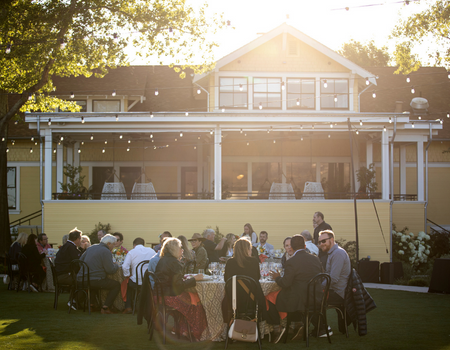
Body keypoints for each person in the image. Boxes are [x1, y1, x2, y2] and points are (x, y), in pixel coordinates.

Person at [268, 235, 323, 342]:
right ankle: (297, 324)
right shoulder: (316, 259)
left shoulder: (291, 262)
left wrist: (277, 277)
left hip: (299, 300)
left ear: (292, 247)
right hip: (316, 297)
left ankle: (278, 329)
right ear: (305, 245)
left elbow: (285, 283)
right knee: (295, 292)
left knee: (270, 297)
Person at [155, 237, 206, 341]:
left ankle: (183, 330)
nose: (182, 250)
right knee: (196, 302)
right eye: (180, 248)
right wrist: (194, 279)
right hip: (169, 297)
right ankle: (194, 332)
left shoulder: (163, 260)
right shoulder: (174, 263)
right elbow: (178, 286)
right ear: (174, 249)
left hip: (159, 296)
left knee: (192, 297)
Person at [222, 238, 267, 325]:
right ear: (247, 249)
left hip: (234, 301)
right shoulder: (254, 261)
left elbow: (226, 279)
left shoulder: (230, 262)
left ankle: (232, 329)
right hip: (251, 301)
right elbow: (257, 278)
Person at [318, 229, 351, 335]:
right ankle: (321, 327)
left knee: (314, 297)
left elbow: (333, 279)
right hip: (334, 290)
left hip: (338, 292)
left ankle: (323, 329)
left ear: (332, 240)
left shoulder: (338, 254)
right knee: (314, 295)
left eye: (324, 241)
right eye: (319, 242)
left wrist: (319, 287)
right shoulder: (332, 253)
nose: (321, 244)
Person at [77, 234, 120, 314]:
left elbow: (80, 262)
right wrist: (116, 266)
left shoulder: (91, 248)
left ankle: (92, 305)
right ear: (108, 244)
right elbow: (110, 270)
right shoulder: (106, 251)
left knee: (93, 284)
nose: (113, 247)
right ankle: (106, 307)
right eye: (113, 244)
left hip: (82, 279)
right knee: (116, 285)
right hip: (95, 280)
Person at [122, 237, 156, 314]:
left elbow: (124, 266)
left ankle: (128, 307)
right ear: (143, 244)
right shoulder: (152, 251)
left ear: (134, 245)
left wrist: (127, 275)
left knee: (128, 283)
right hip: (149, 282)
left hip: (136, 282)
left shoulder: (132, 252)